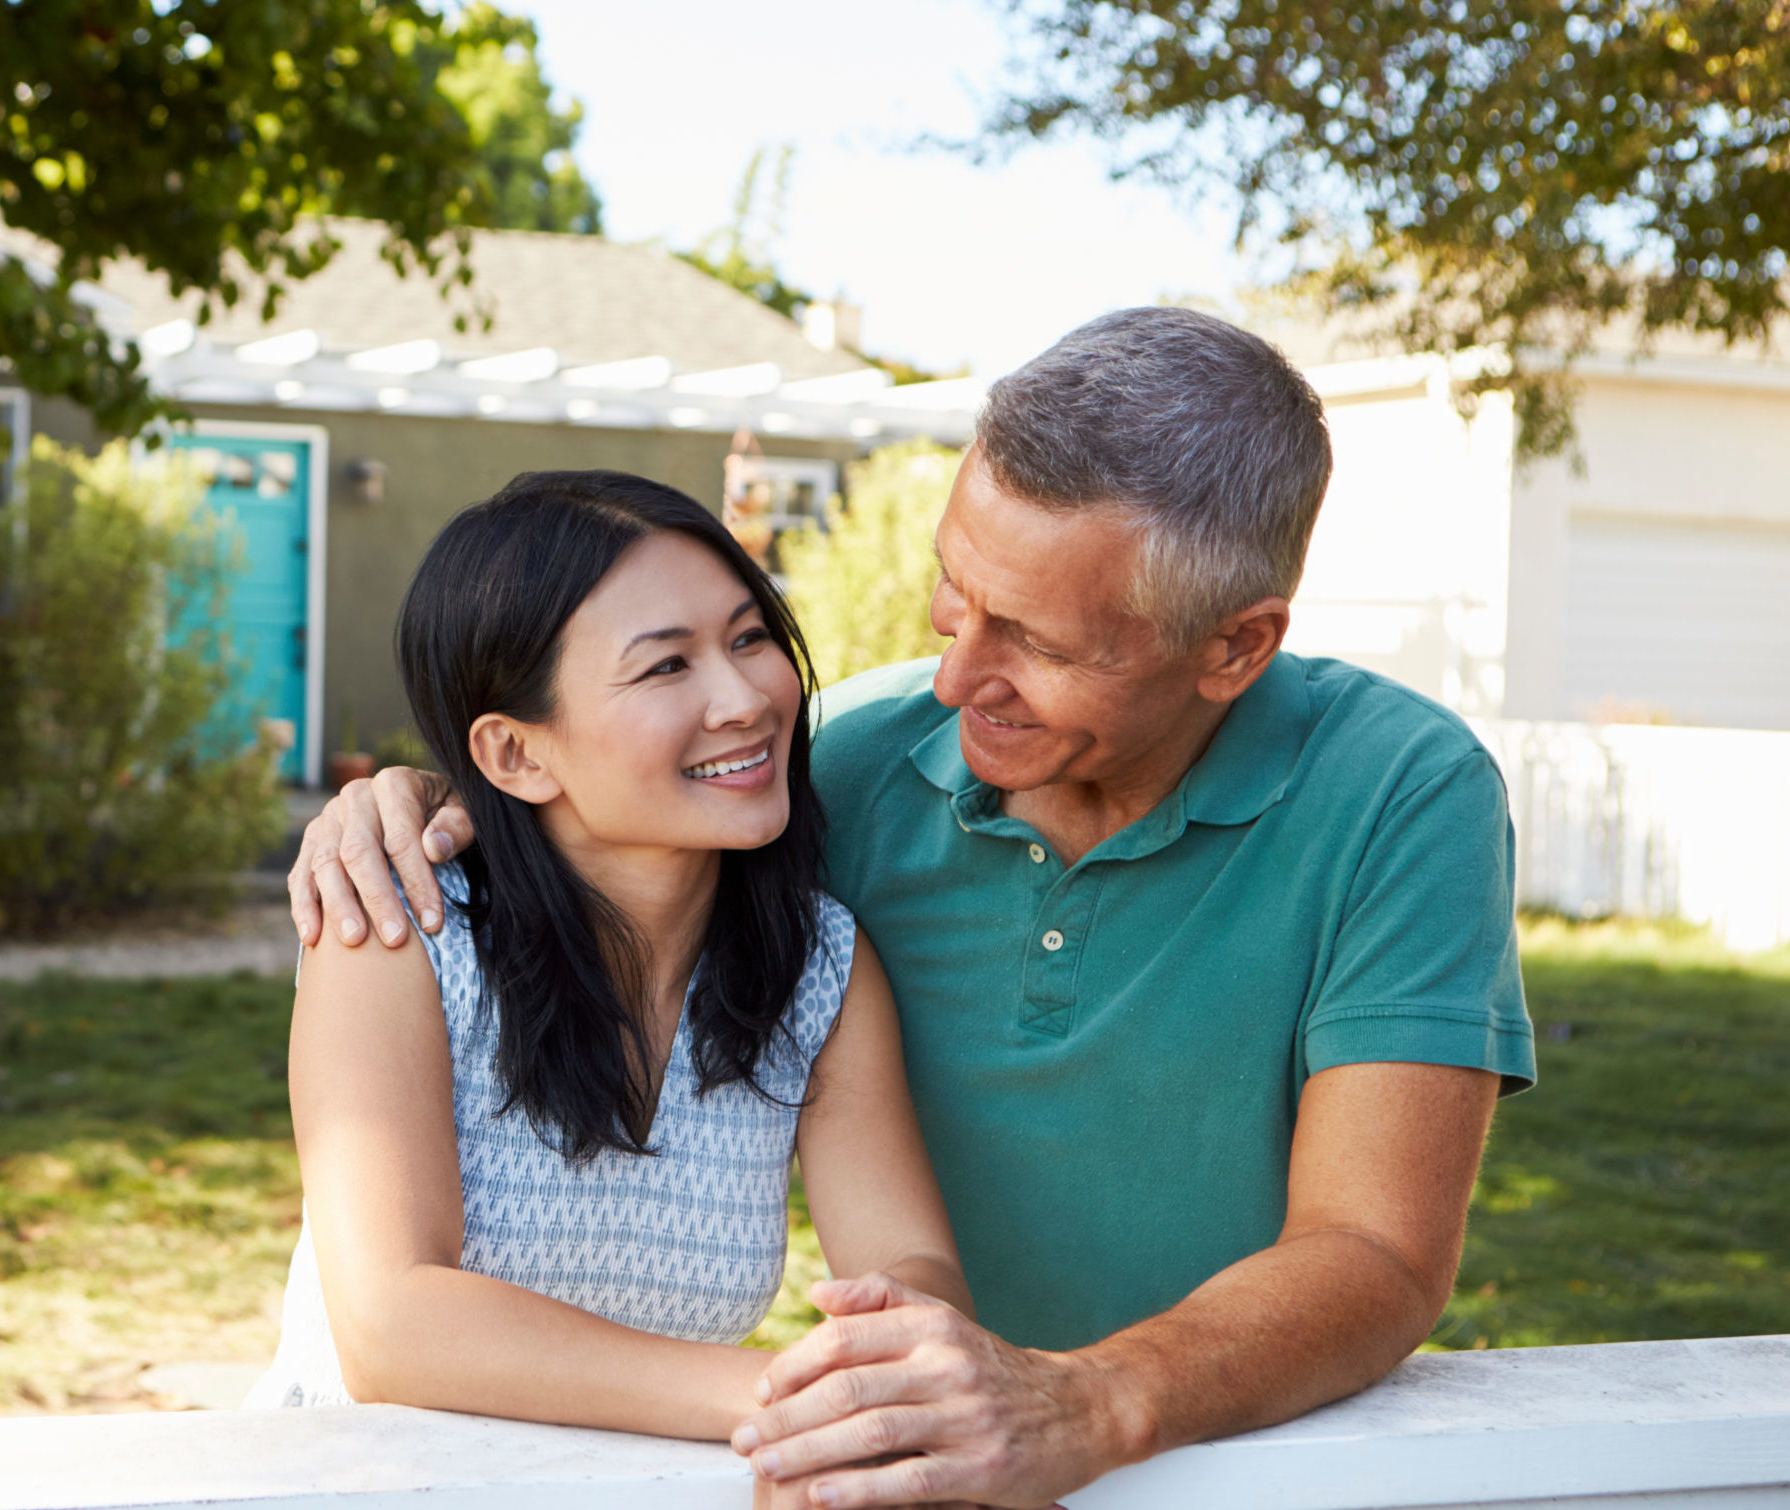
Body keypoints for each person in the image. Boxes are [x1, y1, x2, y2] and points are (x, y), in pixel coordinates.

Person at [289, 308, 1537, 1508]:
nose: (951, 676)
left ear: (1232, 647)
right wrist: (408, 799)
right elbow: (600, 788)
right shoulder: (844, 768)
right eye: (954, 592)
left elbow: (1372, 1250)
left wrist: (1075, 1401)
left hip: (1213, 1452)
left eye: (1035, 641)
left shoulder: (1399, 796)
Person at [249, 469, 969, 1443]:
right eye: (666, 666)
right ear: (513, 754)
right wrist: (794, 1399)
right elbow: (392, 1326)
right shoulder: (395, 928)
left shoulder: (817, 966)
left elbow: (910, 1265)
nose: (744, 697)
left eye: (749, 635)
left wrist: (907, 1352)